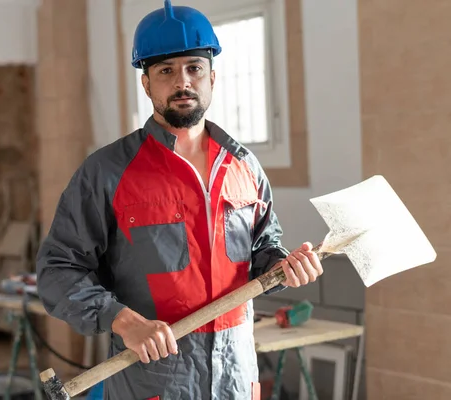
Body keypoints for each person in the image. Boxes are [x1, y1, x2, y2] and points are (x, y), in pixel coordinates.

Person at [36, 1, 324, 399]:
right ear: (146, 83)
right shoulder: (107, 173)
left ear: (212, 77)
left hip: (236, 378)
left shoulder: (244, 166)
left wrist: (285, 265)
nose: (182, 81)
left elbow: (262, 251)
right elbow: (57, 270)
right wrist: (120, 319)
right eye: (166, 71)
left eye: (194, 68)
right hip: (154, 381)